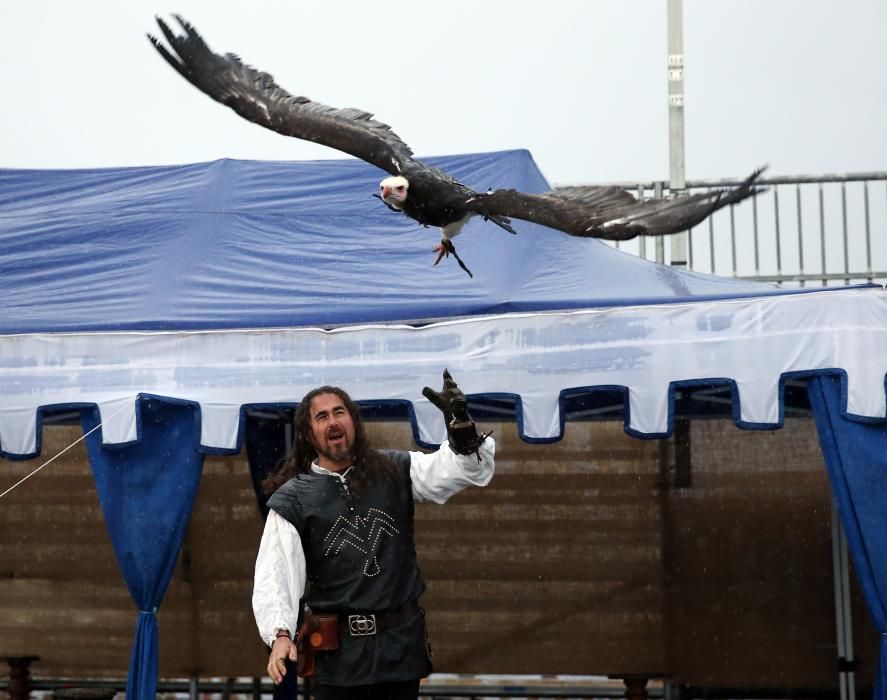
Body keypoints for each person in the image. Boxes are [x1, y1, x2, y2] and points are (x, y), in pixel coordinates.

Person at [252, 369, 495, 700]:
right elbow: (275, 572)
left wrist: (463, 432)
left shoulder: (394, 470)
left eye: (340, 412)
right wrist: (279, 634)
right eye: (321, 417)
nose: (333, 421)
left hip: (400, 651)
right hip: (338, 659)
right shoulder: (294, 498)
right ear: (309, 434)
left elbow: (460, 471)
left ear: (354, 422)